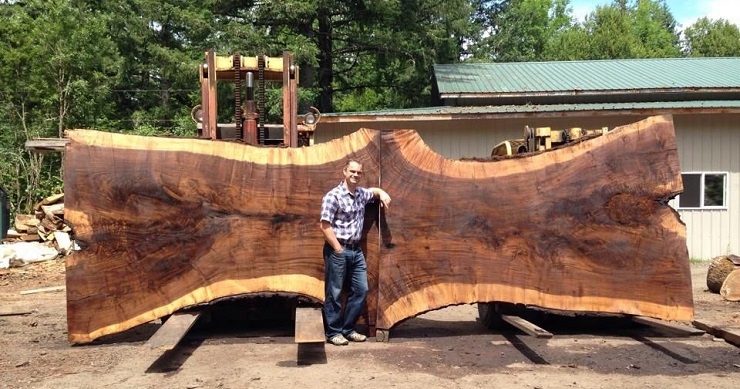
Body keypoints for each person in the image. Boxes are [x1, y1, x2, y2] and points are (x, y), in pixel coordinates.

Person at [319, 159, 391, 346]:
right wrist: (337, 248)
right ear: (344, 172)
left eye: (359, 172)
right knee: (334, 292)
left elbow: (373, 192)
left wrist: (381, 193)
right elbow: (324, 225)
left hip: (356, 250)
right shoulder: (333, 196)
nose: (355, 175)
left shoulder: (360, 194)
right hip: (338, 249)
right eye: (352, 171)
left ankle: (348, 329)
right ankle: (333, 332)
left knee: (361, 289)